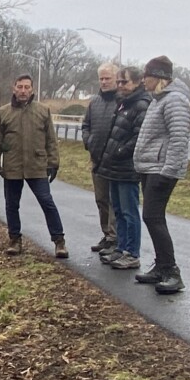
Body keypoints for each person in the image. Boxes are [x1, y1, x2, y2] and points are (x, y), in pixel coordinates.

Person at [0, 74, 68, 258]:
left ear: (32, 89)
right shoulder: (4, 113)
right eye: (20, 87)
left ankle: (59, 241)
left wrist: (53, 162)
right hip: (12, 167)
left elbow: (51, 140)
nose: (23, 91)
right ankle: (14, 240)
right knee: (11, 205)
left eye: (27, 87)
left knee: (47, 202)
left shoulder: (43, 111)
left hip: (37, 166)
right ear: (13, 88)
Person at [131, 55, 190, 293]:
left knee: (153, 217)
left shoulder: (174, 100)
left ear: (158, 77)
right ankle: (161, 266)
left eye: (146, 76)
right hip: (150, 167)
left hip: (162, 169)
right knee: (152, 217)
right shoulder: (158, 100)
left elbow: (179, 139)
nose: (143, 80)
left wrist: (169, 171)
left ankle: (171, 271)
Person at [96, 66, 150, 269]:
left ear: (137, 82)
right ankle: (120, 247)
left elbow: (138, 137)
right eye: (118, 82)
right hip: (113, 167)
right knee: (117, 210)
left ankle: (132, 252)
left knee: (129, 212)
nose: (120, 86)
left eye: (124, 82)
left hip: (127, 167)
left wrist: (119, 152)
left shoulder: (141, 105)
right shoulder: (122, 103)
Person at [79, 62, 121, 252]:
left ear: (116, 79)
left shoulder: (121, 101)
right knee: (101, 199)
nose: (104, 82)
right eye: (101, 78)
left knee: (115, 201)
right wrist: (88, 141)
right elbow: (86, 125)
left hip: (115, 160)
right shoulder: (94, 102)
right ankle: (107, 234)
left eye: (108, 78)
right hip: (97, 159)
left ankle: (115, 237)